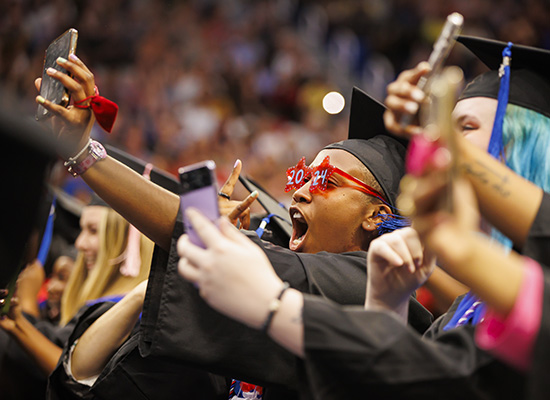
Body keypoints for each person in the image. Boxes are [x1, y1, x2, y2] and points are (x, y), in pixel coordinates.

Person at [36, 54, 432, 399]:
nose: (300, 193)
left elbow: (193, 234)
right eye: (301, 176)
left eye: (326, 180)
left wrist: (84, 154)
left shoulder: (373, 286)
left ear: (376, 216)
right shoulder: (275, 284)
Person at [177, 35, 550, 398]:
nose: (440, 144)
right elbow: (413, 381)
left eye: (465, 129)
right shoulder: (466, 308)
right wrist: (386, 306)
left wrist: (272, 304)